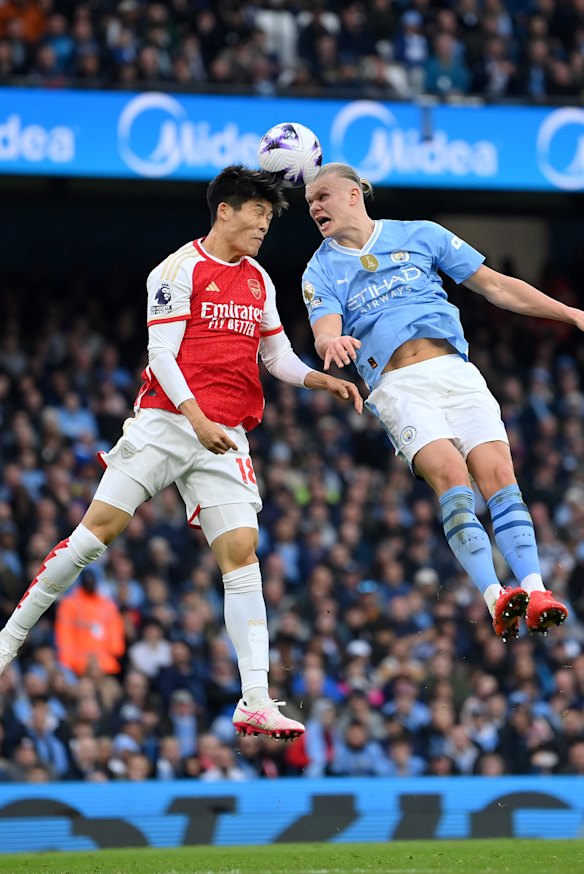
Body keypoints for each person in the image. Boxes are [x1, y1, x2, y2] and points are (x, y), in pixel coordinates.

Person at [0, 164, 363, 741]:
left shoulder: (259, 280)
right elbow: (162, 356)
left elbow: (276, 358)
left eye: (270, 218)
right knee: (97, 536)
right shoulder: (178, 269)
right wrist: (196, 418)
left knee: (243, 554)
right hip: (167, 422)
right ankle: (10, 638)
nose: (264, 227)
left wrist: (322, 381)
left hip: (224, 435)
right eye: (258, 214)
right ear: (226, 210)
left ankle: (254, 700)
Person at [301, 162, 581, 642]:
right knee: (453, 478)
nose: (315, 208)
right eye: (310, 204)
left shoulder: (422, 235)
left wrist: (572, 314)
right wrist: (330, 342)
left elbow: (495, 286)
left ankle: (534, 589)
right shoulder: (320, 268)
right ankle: (496, 596)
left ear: (353, 194)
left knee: (499, 475)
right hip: (398, 387)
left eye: (323, 197)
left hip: (456, 371)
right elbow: (325, 326)